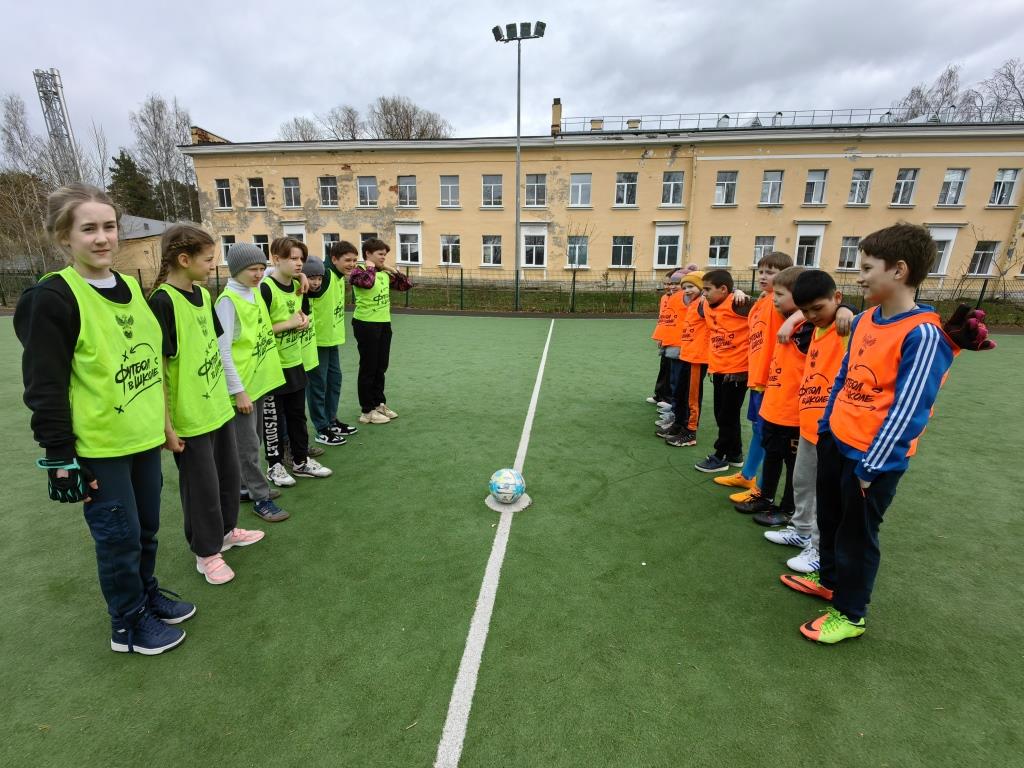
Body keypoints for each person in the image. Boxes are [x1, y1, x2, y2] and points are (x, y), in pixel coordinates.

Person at [783, 223, 992, 644]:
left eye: (866, 268)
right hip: (836, 441)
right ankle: (829, 581)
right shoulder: (864, 320)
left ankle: (850, 614)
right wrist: (826, 428)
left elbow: (910, 408)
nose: (859, 277)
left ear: (899, 270)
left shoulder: (923, 333)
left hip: (871, 458)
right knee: (831, 518)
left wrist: (873, 465)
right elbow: (843, 378)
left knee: (858, 536)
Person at [15, 183, 193, 655]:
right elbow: (44, 386)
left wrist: (165, 426)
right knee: (119, 539)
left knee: (146, 530)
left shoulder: (131, 287)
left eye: (109, 227)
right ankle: (127, 625)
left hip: (143, 439)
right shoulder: (53, 297)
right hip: (99, 447)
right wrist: (60, 457)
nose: (102, 238)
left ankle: (146, 597)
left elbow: (152, 364)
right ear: (64, 237)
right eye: (88, 229)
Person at [149, 225, 265, 585]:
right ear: (184, 260)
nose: (213, 266)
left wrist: (231, 393)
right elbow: (159, 370)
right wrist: (167, 426)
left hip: (217, 407)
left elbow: (216, 348)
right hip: (189, 416)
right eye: (208, 259)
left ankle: (226, 532)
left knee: (228, 477)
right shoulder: (162, 302)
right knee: (201, 488)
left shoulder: (202, 294)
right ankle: (206, 552)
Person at [763, 270, 849, 574]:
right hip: (808, 423)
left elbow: (861, 317)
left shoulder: (844, 327)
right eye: (806, 311)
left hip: (832, 427)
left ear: (837, 298)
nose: (812, 315)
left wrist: (846, 309)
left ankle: (819, 547)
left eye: (818, 309)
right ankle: (801, 530)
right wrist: (795, 318)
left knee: (825, 492)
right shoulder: (814, 328)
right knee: (802, 482)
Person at [216, 243, 290, 523]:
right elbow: (223, 351)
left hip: (257, 382)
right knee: (247, 447)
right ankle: (261, 498)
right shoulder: (227, 302)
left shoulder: (252, 288)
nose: (259, 274)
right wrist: (238, 391)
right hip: (243, 387)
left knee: (253, 440)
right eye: (253, 269)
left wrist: (300, 274)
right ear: (236, 270)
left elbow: (274, 270)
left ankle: (245, 487)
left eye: (261, 268)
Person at [713, 252, 792, 496]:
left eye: (771, 272)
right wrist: (738, 293)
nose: (763, 276)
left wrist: (794, 319)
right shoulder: (762, 300)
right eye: (761, 271)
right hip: (757, 378)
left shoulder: (783, 302)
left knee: (769, 434)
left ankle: (761, 489)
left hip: (775, 379)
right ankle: (748, 476)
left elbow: (816, 308)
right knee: (759, 429)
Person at [734, 266, 807, 525]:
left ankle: (788, 508)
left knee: (793, 462)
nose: (774, 298)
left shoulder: (809, 327)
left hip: (794, 410)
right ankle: (765, 496)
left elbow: (842, 310)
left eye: (780, 294)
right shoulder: (782, 317)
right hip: (773, 403)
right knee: (772, 453)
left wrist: (795, 317)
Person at [261, 237, 332, 484]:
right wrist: (289, 324)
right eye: (293, 258)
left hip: (294, 361)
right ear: (276, 259)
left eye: (301, 258)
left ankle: (301, 461)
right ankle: (275, 465)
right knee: (273, 420)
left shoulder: (297, 285)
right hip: (272, 367)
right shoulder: (265, 289)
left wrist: (304, 321)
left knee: (297, 416)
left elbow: (304, 314)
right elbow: (258, 330)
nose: (299, 263)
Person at [349, 238, 412, 424]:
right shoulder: (358, 271)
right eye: (380, 254)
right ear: (368, 254)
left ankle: (378, 404)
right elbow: (367, 283)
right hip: (365, 324)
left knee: (380, 366)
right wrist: (370, 267)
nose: (384, 257)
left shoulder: (383, 274)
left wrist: (392, 270)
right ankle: (366, 411)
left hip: (384, 324)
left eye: (385, 254)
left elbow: (406, 285)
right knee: (368, 367)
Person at [694, 269, 751, 472]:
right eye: (703, 289)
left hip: (737, 370)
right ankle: (735, 454)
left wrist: (739, 292)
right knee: (723, 413)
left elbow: (768, 306)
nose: (704, 293)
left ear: (724, 289)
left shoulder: (739, 304)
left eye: (708, 289)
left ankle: (721, 456)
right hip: (719, 368)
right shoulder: (705, 305)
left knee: (727, 415)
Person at [303, 249, 359, 445]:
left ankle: (331, 421)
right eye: (347, 260)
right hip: (317, 341)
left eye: (355, 260)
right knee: (318, 385)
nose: (352, 264)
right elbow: (306, 285)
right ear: (334, 259)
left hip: (331, 339)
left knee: (334, 381)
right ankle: (321, 428)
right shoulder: (324, 274)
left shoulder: (337, 276)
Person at [659, 271, 706, 446]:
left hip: (696, 358)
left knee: (691, 397)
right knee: (679, 392)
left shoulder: (704, 303)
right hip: (685, 354)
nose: (686, 290)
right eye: (684, 287)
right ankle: (679, 424)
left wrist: (737, 292)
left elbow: (728, 298)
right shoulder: (693, 303)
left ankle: (690, 431)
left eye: (691, 286)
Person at [648, 274, 681, 408]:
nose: (668, 286)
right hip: (665, 338)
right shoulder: (664, 298)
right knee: (664, 368)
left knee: (671, 371)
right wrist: (661, 336)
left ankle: (669, 399)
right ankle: (660, 395)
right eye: (666, 284)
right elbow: (663, 318)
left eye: (672, 284)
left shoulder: (681, 299)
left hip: (676, 341)